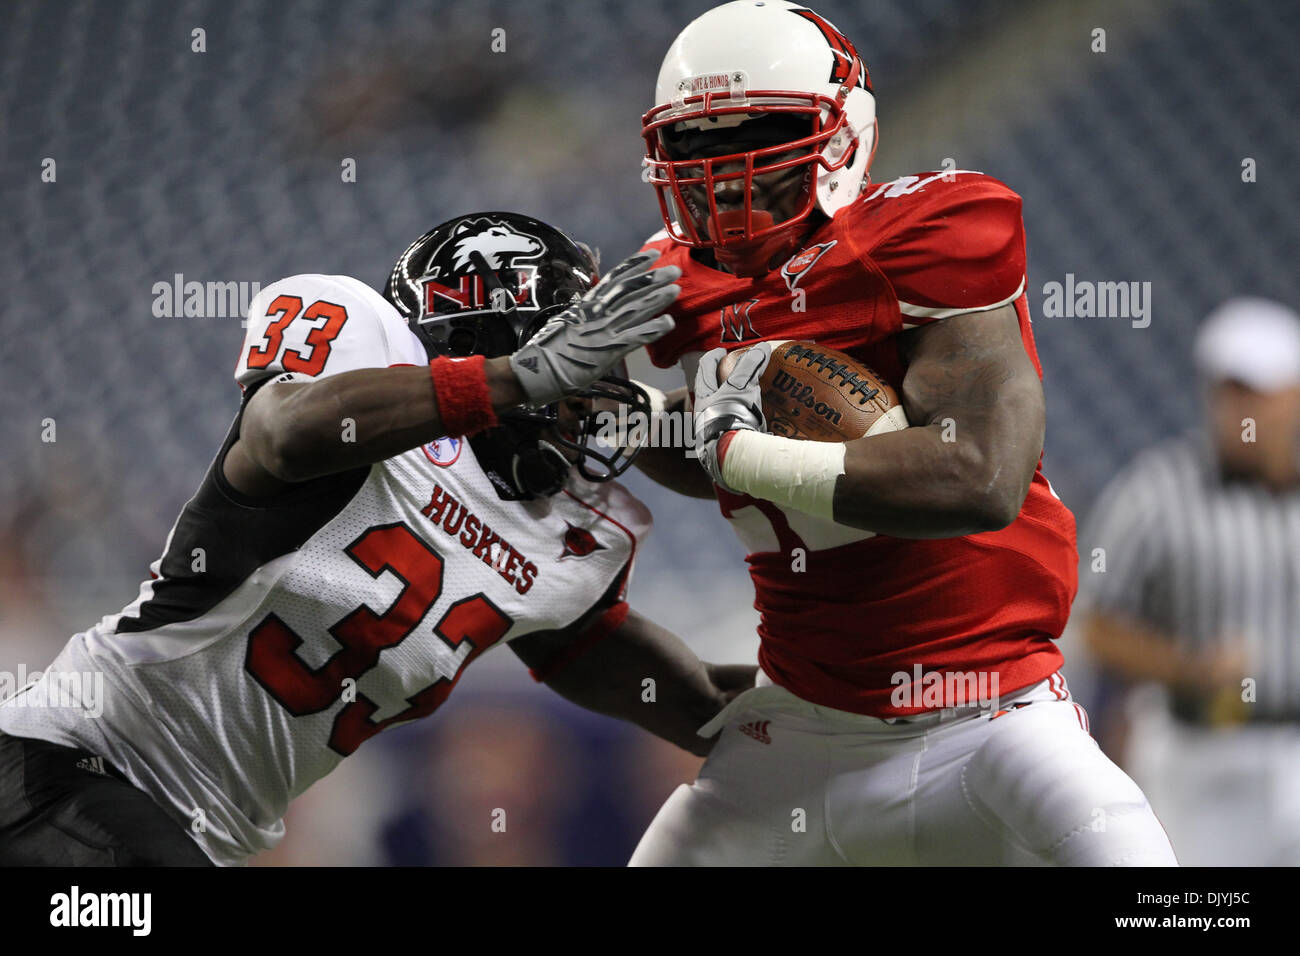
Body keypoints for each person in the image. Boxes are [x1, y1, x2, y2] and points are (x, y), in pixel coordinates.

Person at [0, 211, 752, 866]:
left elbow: (703, 707)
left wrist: (858, 696)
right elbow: (285, 432)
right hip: (64, 765)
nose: (595, 409)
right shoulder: (356, 374)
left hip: (179, 830)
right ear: (503, 343)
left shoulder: (557, 547)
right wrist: (518, 378)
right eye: (582, 369)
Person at [625, 0, 1176, 865]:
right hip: (801, 725)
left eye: (763, 132)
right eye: (698, 145)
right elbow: (703, 458)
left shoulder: (923, 236)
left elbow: (979, 479)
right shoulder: (674, 284)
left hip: (994, 713)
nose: (727, 174)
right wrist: (618, 418)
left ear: (841, 133)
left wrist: (734, 447)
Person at [1080, 297, 1300, 866]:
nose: (1239, 410)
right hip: (1202, 750)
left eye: (1257, 393)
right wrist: (1189, 668)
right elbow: (1098, 624)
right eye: (1228, 392)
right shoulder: (1158, 490)